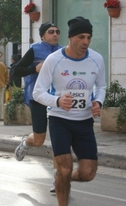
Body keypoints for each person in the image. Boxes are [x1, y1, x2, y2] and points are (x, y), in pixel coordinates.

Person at [33, 17, 106, 206]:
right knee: (64, 167)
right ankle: (62, 186)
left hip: (84, 122)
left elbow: (101, 86)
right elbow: (38, 92)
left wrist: (98, 101)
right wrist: (57, 100)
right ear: (71, 38)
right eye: (81, 37)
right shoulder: (54, 60)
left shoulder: (96, 59)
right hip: (60, 120)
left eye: (89, 37)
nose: (85, 42)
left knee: (88, 173)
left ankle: (61, 179)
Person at [13, 22, 61, 192]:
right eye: (51, 32)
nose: (55, 34)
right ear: (42, 36)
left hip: (57, 100)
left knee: (58, 141)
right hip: (38, 98)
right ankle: (26, 143)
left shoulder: (63, 52)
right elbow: (15, 71)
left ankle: (58, 180)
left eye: (57, 32)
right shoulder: (35, 50)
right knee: (39, 140)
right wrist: (35, 67)